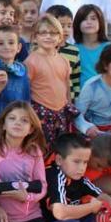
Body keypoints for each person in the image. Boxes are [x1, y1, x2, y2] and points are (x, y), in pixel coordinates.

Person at [26, 15, 76, 147]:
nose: (48, 36)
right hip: (40, 113)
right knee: (42, 149)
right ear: (35, 37)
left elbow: (67, 87)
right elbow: (26, 91)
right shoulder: (31, 61)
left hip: (61, 112)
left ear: (60, 37)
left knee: (61, 149)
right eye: (43, 33)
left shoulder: (63, 60)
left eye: (53, 33)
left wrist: (68, 108)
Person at [0, 25, 30, 123]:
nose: (6, 46)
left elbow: (26, 98)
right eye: (1, 43)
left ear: (18, 47)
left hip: (17, 121)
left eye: (11, 43)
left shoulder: (23, 70)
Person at [46, 5, 82, 100]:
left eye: (69, 25)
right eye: (62, 26)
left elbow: (75, 78)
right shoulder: (43, 49)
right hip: (46, 98)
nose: (66, 29)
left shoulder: (74, 51)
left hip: (68, 100)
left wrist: (76, 99)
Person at [74, 4, 111, 88]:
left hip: (105, 96)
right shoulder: (73, 49)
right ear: (77, 23)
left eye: (93, 18)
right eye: (84, 19)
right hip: (81, 97)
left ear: (100, 22)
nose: (89, 22)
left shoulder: (109, 48)